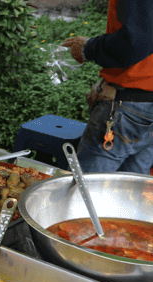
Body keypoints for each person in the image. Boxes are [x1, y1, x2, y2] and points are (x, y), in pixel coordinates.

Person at [63, 1, 153, 175]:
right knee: (130, 194)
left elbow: (134, 43)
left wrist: (88, 48)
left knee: (83, 190)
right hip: (139, 103)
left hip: (127, 107)